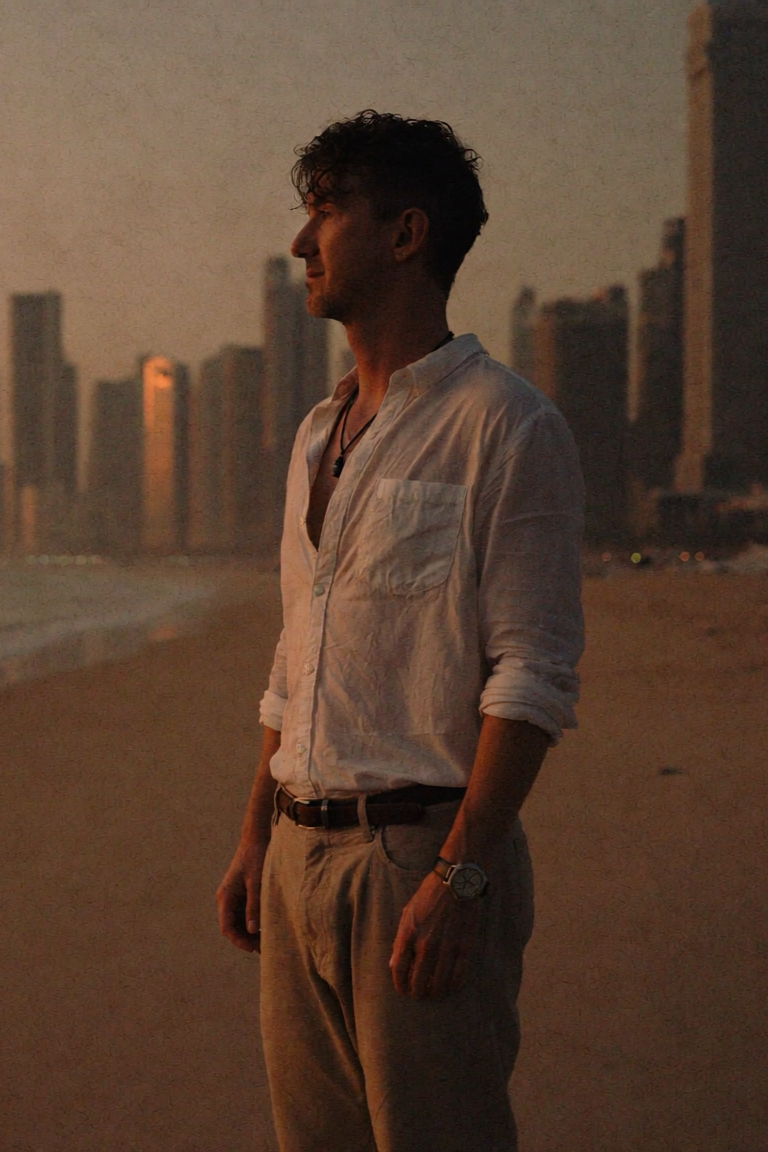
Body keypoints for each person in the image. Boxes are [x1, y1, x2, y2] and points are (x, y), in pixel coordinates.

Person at [217, 110, 584, 1152]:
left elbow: (531, 675)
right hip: (297, 853)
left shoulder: (505, 423)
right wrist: (255, 838)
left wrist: (461, 877)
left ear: (406, 233)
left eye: (326, 213)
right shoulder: (314, 435)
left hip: (417, 856)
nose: (302, 241)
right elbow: (296, 658)